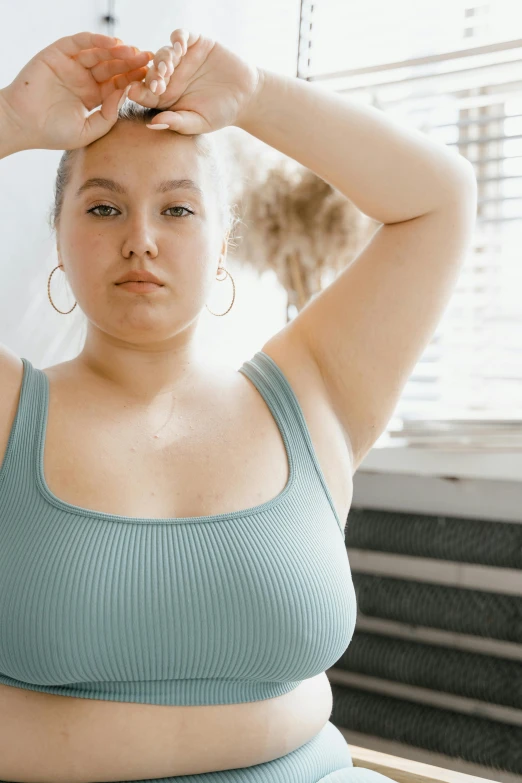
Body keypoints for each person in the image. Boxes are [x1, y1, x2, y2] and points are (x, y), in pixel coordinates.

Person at [0, 26, 475, 783]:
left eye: (180, 210)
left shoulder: (313, 387)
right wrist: (13, 121)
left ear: (224, 245)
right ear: (58, 238)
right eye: (101, 209)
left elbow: (440, 197)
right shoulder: (10, 410)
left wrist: (255, 97)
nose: (142, 241)